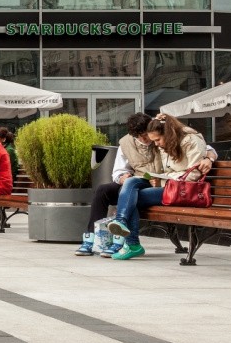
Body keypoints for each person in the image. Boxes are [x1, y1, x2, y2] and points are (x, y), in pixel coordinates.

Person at [108, 113, 213, 261]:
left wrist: (209, 158)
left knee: (131, 198)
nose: (156, 144)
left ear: (168, 133)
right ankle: (121, 221)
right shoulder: (167, 143)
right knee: (130, 183)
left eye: (157, 140)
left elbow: (193, 174)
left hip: (183, 190)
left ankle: (132, 244)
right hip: (169, 186)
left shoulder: (191, 140)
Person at [75, 112, 160, 256]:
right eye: (139, 137)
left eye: (146, 135)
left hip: (154, 185)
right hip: (134, 182)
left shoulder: (159, 137)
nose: (144, 139)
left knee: (127, 192)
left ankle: (119, 241)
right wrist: (122, 178)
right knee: (103, 190)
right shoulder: (126, 143)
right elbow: (118, 172)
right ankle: (91, 238)